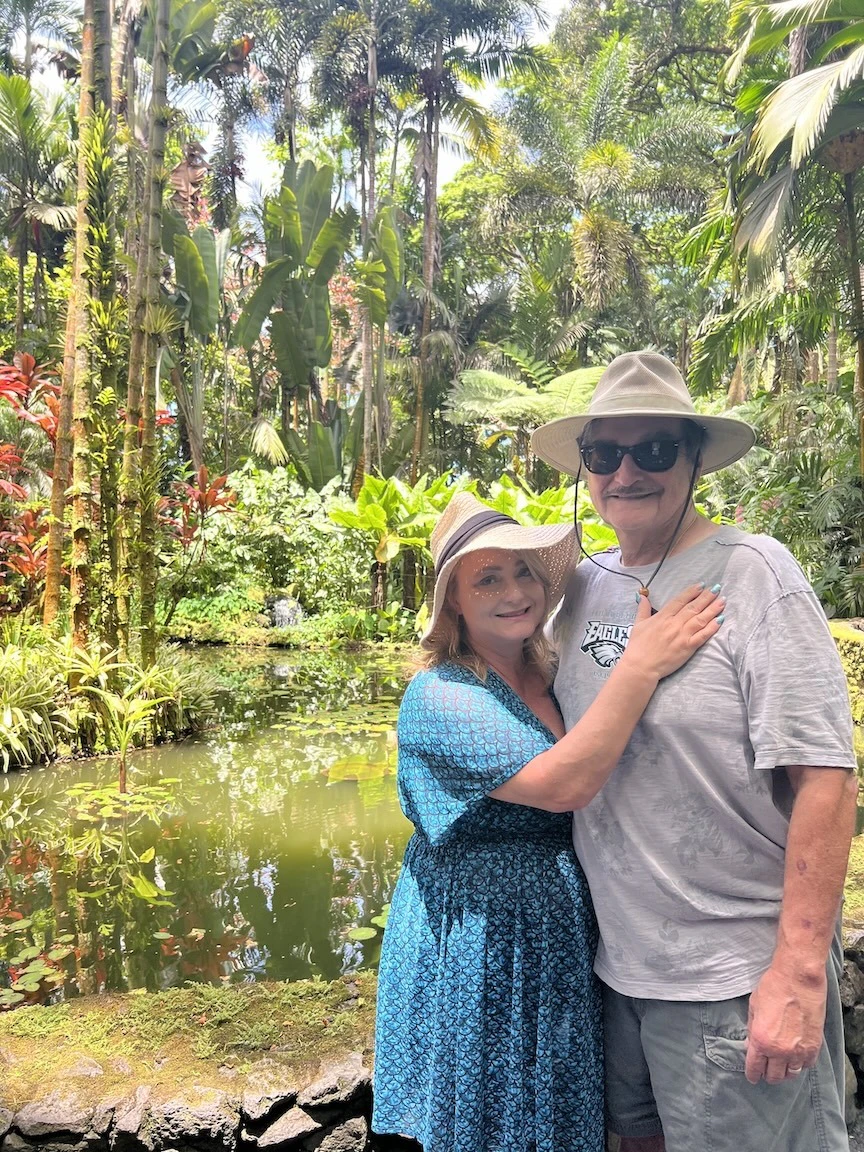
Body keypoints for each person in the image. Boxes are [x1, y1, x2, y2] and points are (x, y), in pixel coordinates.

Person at [531, 350, 859, 1152]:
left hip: (734, 982)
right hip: (618, 977)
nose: (626, 472)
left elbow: (826, 780)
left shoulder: (753, 575)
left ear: (693, 457)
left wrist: (799, 973)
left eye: (654, 451)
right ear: (586, 467)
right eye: (605, 454)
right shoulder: (581, 588)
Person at [372, 490, 724, 1152]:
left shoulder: (553, 668)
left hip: (561, 931)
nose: (515, 591)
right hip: (481, 941)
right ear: (453, 599)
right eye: (489, 578)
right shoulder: (440, 696)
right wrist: (642, 663)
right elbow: (568, 783)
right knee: (494, 1115)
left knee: (561, 1111)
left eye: (525, 572)